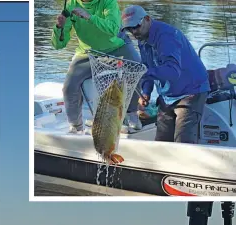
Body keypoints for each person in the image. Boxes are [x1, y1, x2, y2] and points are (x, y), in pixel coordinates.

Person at [121, 5, 210, 144]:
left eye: (136, 26)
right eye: (129, 29)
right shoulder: (142, 37)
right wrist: (146, 92)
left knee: (183, 143)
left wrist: (143, 73)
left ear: (147, 19)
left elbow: (173, 71)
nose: (133, 32)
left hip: (191, 92)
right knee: (162, 144)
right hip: (168, 95)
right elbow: (147, 66)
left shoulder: (166, 36)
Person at [52, 0, 143, 134]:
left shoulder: (108, 2)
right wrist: (59, 27)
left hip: (116, 46)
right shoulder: (70, 4)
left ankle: (132, 113)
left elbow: (113, 29)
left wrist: (89, 17)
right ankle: (76, 126)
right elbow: (58, 45)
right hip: (87, 52)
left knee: (136, 66)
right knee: (69, 87)